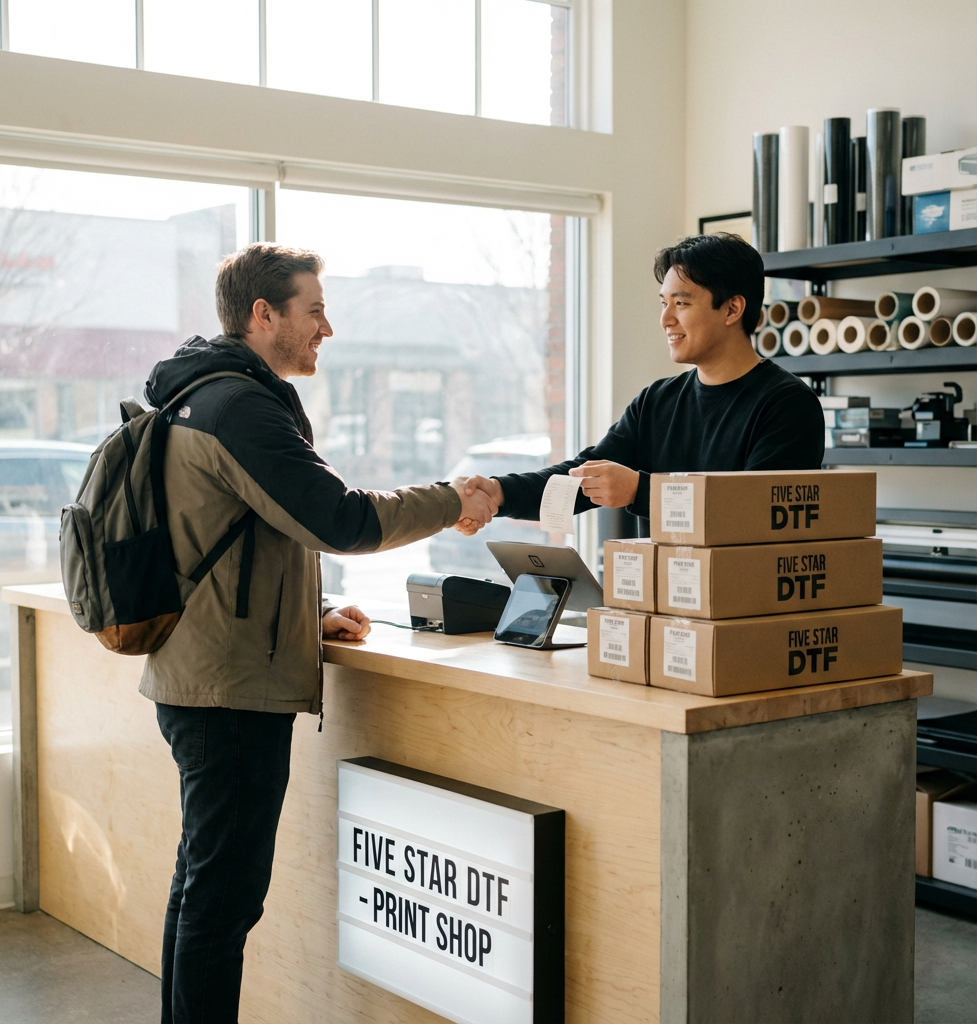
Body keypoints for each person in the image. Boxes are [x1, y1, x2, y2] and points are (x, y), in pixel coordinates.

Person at [140, 243, 497, 1023]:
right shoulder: (238, 406)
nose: (326, 329)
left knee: (201, 887)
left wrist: (310, 612)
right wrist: (451, 500)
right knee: (221, 901)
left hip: (202, 673)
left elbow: (236, 536)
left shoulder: (195, 395)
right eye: (315, 310)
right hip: (230, 690)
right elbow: (337, 518)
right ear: (263, 315)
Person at [459, 233, 824, 532]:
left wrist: (639, 490)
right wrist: (498, 493)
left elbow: (756, 514)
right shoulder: (657, 401)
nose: (665, 319)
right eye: (664, 303)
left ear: (732, 309)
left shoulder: (788, 405)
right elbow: (583, 477)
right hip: (660, 592)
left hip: (741, 597)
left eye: (681, 303)